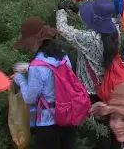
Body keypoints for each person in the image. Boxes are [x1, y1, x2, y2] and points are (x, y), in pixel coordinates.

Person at [57, 0, 123, 149]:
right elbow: (100, 20)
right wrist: (77, 9)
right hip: (112, 85)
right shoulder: (115, 31)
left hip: (93, 90)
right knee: (113, 123)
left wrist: (61, 11)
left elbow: (63, 29)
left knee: (101, 129)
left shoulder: (88, 38)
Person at [13, 18, 78, 149]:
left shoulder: (36, 66)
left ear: (34, 41)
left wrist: (19, 79)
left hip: (48, 123)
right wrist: (29, 67)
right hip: (68, 117)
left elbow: (30, 98)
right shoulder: (63, 56)